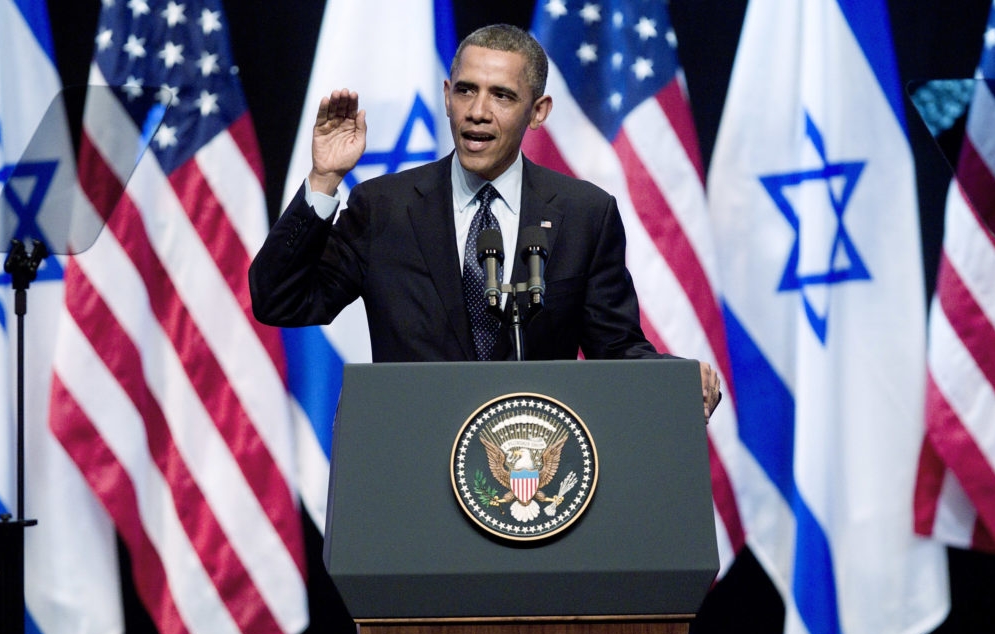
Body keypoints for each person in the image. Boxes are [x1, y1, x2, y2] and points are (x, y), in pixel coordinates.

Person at [249, 24, 722, 420]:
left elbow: (615, 348)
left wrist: (676, 378)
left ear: (538, 112)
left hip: (532, 475)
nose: (478, 111)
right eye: (467, 90)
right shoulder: (384, 207)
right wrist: (323, 179)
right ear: (447, 96)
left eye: (502, 96)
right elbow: (280, 301)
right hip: (410, 469)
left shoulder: (583, 214)